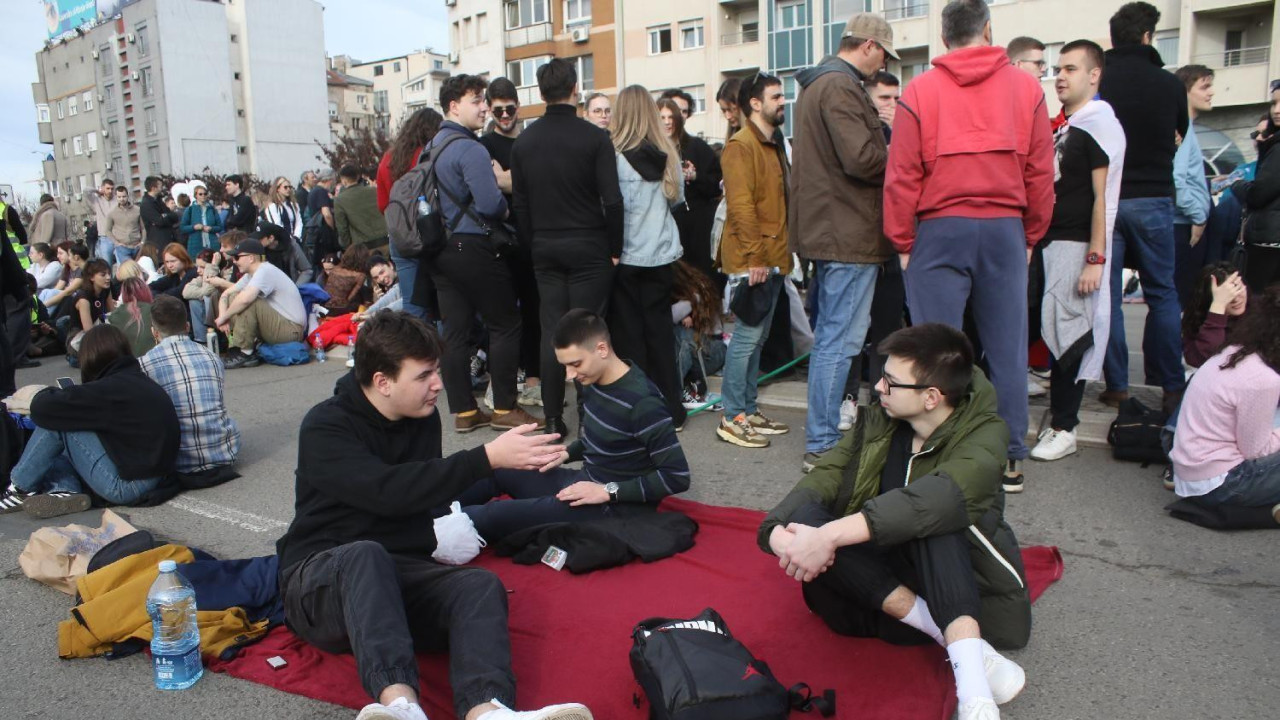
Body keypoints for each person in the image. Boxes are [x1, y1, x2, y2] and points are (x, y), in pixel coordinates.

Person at [274, 311, 592, 720]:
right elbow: (386, 492)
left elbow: (425, 492)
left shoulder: (421, 418)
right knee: (365, 555)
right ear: (383, 382)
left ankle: (489, 711)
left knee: (477, 586)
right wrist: (487, 459)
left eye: (437, 371)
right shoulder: (326, 425)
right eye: (424, 376)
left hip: (394, 573)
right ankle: (400, 707)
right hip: (319, 582)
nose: (438, 385)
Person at [758, 323, 1029, 720]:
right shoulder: (882, 422)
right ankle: (964, 648)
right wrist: (777, 535)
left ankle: (975, 698)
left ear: (932, 397)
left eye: (891, 382)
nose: (879, 388)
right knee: (808, 518)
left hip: (955, 586)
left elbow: (938, 500)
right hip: (879, 594)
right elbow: (824, 477)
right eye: (881, 376)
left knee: (933, 518)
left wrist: (829, 536)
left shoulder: (986, 434)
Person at [884, 0, 1054, 491]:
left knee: (935, 350)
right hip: (1004, 225)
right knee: (1006, 347)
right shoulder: (1026, 88)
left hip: (940, 227)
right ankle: (1008, 458)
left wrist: (903, 241)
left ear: (943, 38)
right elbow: (1041, 171)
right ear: (988, 29)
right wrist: (1031, 234)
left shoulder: (920, 91)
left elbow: (901, 177)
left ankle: (937, 452)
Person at [462, 309, 689, 541]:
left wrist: (606, 491)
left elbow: (677, 476)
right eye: (565, 366)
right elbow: (605, 438)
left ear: (601, 349)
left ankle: (432, 535)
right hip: (585, 481)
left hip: (616, 507)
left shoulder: (643, 402)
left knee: (487, 516)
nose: (570, 375)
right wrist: (565, 454)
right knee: (498, 469)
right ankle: (429, 513)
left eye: (576, 364)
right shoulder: (593, 379)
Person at [791, 13, 896, 472]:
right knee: (840, 341)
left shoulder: (822, 83)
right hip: (846, 231)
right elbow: (862, 159)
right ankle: (823, 441)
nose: (882, 66)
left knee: (835, 339)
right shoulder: (839, 85)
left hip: (834, 229)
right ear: (869, 45)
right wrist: (901, 154)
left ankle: (823, 437)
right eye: (883, 56)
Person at [510, 58, 623, 437]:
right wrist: (615, 246)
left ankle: (554, 418)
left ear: (541, 93)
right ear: (576, 89)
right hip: (590, 244)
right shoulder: (595, 138)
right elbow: (613, 200)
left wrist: (533, 242)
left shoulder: (525, 142)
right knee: (589, 330)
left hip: (545, 245)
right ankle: (591, 416)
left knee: (551, 330)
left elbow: (520, 204)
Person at [1028, 40, 1127, 464]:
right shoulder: (1070, 124)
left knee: (1069, 337)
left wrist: (1095, 258)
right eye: (1058, 69)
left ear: (1094, 74)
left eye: (1070, 68)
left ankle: (1065, 426)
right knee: (1042, 330)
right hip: (1048, 243)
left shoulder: (1099, 124)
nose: (1060, 77)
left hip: (1075, 246)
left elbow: (1104, 199)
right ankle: (1056, 419)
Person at [430, 75, 541, 433]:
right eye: (476, 100)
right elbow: (491, 203)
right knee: (505, 323)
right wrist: (510, 214)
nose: (483, 107)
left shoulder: (431, 146)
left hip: (440, 248)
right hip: (474, 245)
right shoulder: (471, 148)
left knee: (455, 332)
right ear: (453, 106)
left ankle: (464, 411)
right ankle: (505, 407)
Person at [1097, 2, 1190, 415]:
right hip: (1154, 196)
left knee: (1110, 298)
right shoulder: (1169, 85)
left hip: (1110, 197)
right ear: (1148, 37)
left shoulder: (1101, 82)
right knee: (1163, 294)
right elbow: (1180, 133)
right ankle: (1170, 385)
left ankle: (1116, 385)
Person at [0, 324, 178, 517]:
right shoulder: (138, 382)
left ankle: (19, 488)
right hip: (154, 477)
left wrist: (53, 392)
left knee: (58, 422)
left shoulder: (108, 389)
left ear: (91, 357)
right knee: (66, 429)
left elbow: (43, 408)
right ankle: (64, 489)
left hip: (127, 486)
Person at [715, 72, 793, 449]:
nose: (784, 101)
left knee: (757, 339)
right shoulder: (741, 145)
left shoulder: (771, 143)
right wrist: (756, 258)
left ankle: (747, 408)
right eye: (777, 96)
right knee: (745, 340)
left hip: (773, 256)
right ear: (755, 104)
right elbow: (741, 206)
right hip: (753, 259)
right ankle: (731, 417)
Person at [608, 86, 688, 428]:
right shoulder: (667, 154)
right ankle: (672, 408)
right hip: (660, 256)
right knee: (660, 336)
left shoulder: (611, 157)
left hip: (624, 257)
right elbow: (677, 199)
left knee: (629, 340)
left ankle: (637, 412)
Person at [1170, 285, 1280, 527]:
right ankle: (1263, 511)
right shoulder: (1264, 380)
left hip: (1189, 475)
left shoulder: (1233, 351)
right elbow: (1256, 451)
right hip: (1222, 484)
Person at [481, 78, 543, 409]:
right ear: (490, 109)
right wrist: (515, 181)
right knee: (503, 317)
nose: (505, 115)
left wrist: (509, 179)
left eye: (510, 108)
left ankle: (533, 380)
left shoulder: (531, 140)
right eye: (498, 109)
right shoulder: (484, 144)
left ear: (518, 106)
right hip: (500, 240)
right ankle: (499, 383)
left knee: (534, 311)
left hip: (531, 239)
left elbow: (525, 181)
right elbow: (494, 185)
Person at [140, 295, 240, 474]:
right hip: (224, 454)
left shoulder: (145, 364)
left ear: (154, 332)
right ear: (187, 326)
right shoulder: (212, 357)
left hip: (177, 462)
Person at [377, 108, 444, 322]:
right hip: (430, 233)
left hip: (400, 238)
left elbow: (382, 204)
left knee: (412, 305)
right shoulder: (429, 155)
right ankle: (444, 353)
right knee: (442, 305)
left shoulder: (389, 158)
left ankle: (416, 351)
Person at [656, 98, 722, 281]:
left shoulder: (697, 147)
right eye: (662, 117)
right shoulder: (651, 150)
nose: (667, 122)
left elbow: (717, 185)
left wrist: (695, 177)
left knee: (701, 279)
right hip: (664, 227)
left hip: (697, 226)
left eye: (671, 117)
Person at [215, 237, 307, 369]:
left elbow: (246, 299)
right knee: (236, 296)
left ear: (251, 258)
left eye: (237, 257)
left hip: (291, 330)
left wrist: (225, 316)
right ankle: (239, 349)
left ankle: (245, 352)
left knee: (250, 300)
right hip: (280, 326)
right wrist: (223, 316)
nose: (234, 262)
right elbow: (226, 294)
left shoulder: (265, 270)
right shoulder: (250, 275)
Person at [1230, 80, 1280, 291]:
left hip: (1270, 243)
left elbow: (1259, 194)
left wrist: (1237, 185)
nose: (1277, 110)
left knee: (1261, 312)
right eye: (1274, 103)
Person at [1172, 65, 1214, 307]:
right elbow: (1176, 181)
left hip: (1183, 223)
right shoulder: (1182, 129)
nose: (1211, 93)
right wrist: (1198, 215)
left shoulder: (1185, 128)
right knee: (1179, 299)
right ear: (1185, 91)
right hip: (1183, 226)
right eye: (1204, 86)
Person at [671, 260, 725, 405]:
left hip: (712, 352)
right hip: (703, 352)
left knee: (681, 333)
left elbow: (667, 317)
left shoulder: (693, 296)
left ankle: (674, 391)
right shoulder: (692, 289)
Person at [1182, 263, 1248, 369]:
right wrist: (1217, 309)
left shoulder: (1260, 313)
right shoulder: (1197, 319)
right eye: (1227, 294)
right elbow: (1204, 361)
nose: (1236, 299)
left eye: (1238, 289)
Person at [65, 260, 114, 360]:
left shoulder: (106, 290)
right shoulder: (83, 298)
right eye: (103, 275)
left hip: (99, 330)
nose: (108, 277)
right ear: (91, 277)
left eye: (109, 273)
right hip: (79, 338)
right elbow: (89, 331)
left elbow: (113, 315)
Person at [334, 164, 388, 253]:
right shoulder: (374, 191)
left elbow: (342, 228)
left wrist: (347, 246)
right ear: (358, 176)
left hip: (364, 248)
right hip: (386, 241)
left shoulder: (340, 200)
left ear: (343, 180)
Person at [107, 276, 156, 357]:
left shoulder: (115, 315)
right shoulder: (156, 310)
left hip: (128, 363)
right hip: (154, 359)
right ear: (146, 291)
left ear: (124, 294)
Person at [323, 245, 370, 314]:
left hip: (326, 308)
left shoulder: (335, 269)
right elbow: (350, 297)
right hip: (342, 310)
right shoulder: (360, 276)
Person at [181, 184, 223, 257]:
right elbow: (183, 227)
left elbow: (220, 226)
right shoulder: (190, 209)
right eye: (200, 194)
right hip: (196, 244)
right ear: (196, 195)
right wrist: (194, 227)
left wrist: (211, 228)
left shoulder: (212, 209)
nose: (203, 195)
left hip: (212, 243)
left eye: (205, 194)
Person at [105, 185, 143, 265]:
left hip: (137, 246)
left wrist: (142, 242)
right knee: (129, 270)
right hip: (123, 247)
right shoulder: (112, 213)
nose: (122, 199)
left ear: (127, 196)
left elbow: (143, 228)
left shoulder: (137, 210)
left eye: (124, 196)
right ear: (116, 197)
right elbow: (107, 230)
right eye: (119, 197)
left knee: (140, 270)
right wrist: (116, 243)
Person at [140, 176, 179, 252]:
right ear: (153, 188)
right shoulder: (146, 204)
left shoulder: (159, 201)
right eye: (160, 186)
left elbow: (174, 216)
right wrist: (166, 217)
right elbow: (159, 221)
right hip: (158, 243)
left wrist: (165, 216)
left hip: (168, 239)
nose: (162, 188)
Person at [262, 176, 304, 247]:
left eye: (289, 187)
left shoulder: (293, 205)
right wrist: (289, 239)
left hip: (296, 241)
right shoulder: (273, 206)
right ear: (278, 189)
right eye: (285, 187)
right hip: (281, 242)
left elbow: (299, 222)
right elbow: (277, 225)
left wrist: (296, 237)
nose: (288, 189)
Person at [864, 70, 900, 144]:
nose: (893, 104)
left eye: (896, 99)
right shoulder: (856, 123)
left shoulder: (899, 123)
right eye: (885, 98)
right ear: (867, 99)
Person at [86, 178, 116, 262]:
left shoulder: (117, 200)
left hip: (118, 236)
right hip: (104, 237)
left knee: (121, 266)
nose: (110, 191)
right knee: (107, 264)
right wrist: (97, 191)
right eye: (107, 188)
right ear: (103, 188)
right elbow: (86, 191)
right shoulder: (97, 201)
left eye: (112, 188)